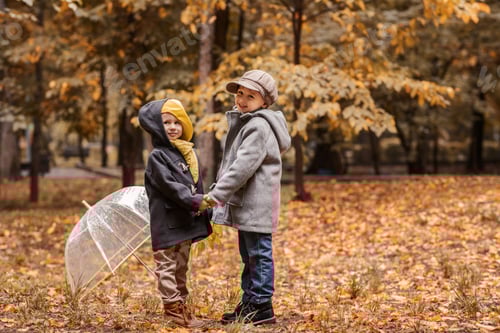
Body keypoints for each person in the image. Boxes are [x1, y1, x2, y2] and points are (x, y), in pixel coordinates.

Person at [202, 70, 291, 325]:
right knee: (249, 255)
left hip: (257, 204)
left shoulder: (258, 126)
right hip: (249, 204)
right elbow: (233, 164)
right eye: (240, 93)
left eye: (250, 96)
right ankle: (250, 301)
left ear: (264, 102)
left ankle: (262, 306)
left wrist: (216, 196)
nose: (241, 100)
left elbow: (242, 168)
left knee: (258, 253)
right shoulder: (247, 122)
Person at [138, 98, 212, 328]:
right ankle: (173, 311)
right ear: (156, 127)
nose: (172, 127)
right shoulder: (157, 157)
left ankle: (182, 307)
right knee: (167, 267)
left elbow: (194, 184)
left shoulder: (185, 154)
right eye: (166, 122)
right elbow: (172, 187)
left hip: (184, 222)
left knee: (181, 267)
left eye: (176, 122)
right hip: (167, 222)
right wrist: (196, 201)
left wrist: (203, 209)